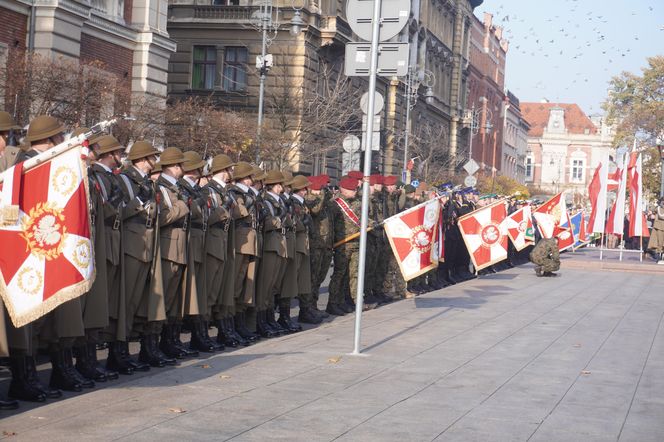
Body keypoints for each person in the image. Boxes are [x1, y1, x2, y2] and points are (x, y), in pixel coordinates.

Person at [647, 197, 664, 264]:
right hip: (659, 227)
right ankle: (659, 256)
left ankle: (661, 256)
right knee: (660, 242)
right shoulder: (659, 208)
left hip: (660, 226)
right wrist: (656, 204)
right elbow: (651, 209)